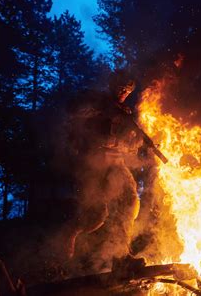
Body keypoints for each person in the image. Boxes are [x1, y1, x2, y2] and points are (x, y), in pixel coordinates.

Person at [63, 70, 144, 270]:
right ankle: (68, 237)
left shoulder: (125, 112)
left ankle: (121, 257)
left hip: (115, 163)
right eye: (122, 87)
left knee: (130, 202)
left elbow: (129, 144)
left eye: (129, 90)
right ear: (112, 84)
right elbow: (72, 109)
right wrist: (103, 110)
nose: (124, 92)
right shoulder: (95, 100)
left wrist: (134, 140)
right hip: (93, 163)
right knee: (97, 214)